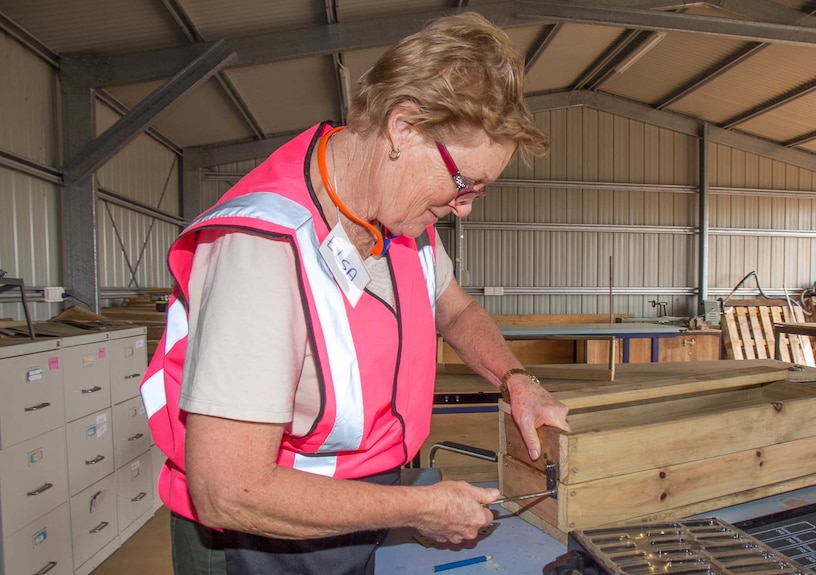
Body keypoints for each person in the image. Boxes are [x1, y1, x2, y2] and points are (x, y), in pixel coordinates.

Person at [139, 11, 570, 575]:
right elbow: (231, 489)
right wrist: (419, 507)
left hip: (351, 512)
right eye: (466, 184)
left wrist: (517, 380)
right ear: (405, 127)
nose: (463, 207)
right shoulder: (262, 250)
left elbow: (457, 311)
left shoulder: (400, 219)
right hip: (257, 539)